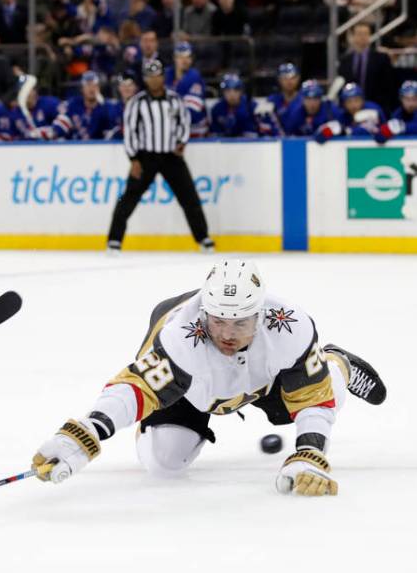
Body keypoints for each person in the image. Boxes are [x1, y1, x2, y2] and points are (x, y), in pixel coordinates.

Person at [31, 260, 386, 496]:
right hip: (192, 388)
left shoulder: (289, 326)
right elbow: (136, 388)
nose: (227, 334)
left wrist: (309, 454)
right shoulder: (181, 335)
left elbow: (313, 400)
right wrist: (84, 434)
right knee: (163, 463)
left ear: (260, 315)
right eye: (218, 321)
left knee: (327, 389)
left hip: (263, 378)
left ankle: (338, 362)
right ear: (204, 312)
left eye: (240, 323)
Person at [107, 59, 214, 254]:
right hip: (146, 157)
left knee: (189, 197)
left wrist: (181, 142)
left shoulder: (175, 99)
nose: (154, 80)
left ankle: (203, 238)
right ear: (146, 79)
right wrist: (134, 159)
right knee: (128, 198)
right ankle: (114, 240)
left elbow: (184, 122)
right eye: (150, 76)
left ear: (163, 77)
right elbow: (130, 131)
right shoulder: (136, 103)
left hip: (171, 156)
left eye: (157, 76)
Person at [337, 23, 396, 114]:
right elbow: (342, 86)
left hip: (376, 107)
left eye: (366, 34)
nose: (362, 37)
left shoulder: (382, 58)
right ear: (353, 37)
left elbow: (388, 87)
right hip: (350, 109)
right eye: (359, 34)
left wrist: (385, 110)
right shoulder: (345, 60)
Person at [50, 71, 113, 140]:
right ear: (82, 88)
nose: (91, 89)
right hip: (74, 147)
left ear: (99, 88)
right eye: (88, 85)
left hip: (98, 148)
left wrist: (103, 107)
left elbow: (111, 133)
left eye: (94, 85)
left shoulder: (106, 107)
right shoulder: (73, 104)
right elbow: (57, 128)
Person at [165, 42, 208, 138]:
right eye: (180, 56)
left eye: (187, 57)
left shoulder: (194, 77)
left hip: (194, 130)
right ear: (174, 58)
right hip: (173, 129)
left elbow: (192, 112)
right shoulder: (167, 75)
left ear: (192, 59)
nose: (184, 60)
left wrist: (167, 111)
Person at [210, 74, 258, 138]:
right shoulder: (217, 108)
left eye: (236, 90)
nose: (232, 95)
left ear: (241, 91)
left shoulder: (251, 106)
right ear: (223, 92)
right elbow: (215, 134)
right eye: (228, 91)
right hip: (224, 145)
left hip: (248, 144)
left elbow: (253, 134)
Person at [264, 62, 302, 133]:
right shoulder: (271, 101)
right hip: (277, 141)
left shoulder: (305, 100)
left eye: (293, 77)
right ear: (279, 80)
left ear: (298, 78)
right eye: (285, 78)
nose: (289, 81)